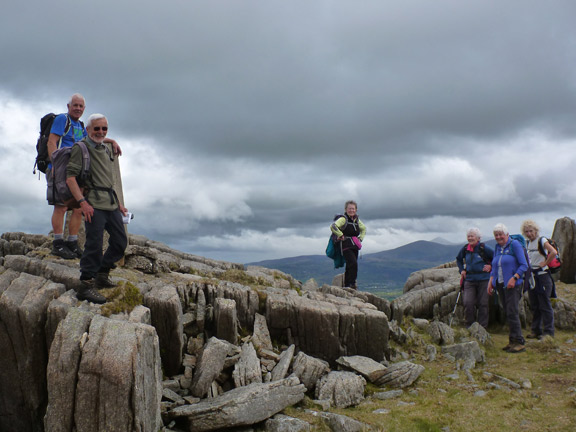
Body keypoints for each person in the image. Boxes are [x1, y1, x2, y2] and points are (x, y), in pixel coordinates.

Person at [47, 94, 121, 259]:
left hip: (76, 169)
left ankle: (72, 243)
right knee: (61, 206)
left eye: (81, 106)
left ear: (84, 109)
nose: (78, 108)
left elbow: (91, 139)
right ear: (69, 106)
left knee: (78, 207)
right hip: (59, 168)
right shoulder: (62, 119)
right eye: (75, 105)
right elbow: (51, 142)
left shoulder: (80, 125)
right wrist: (54, 164)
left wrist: (112, 141)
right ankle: (58, 244)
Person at [66, 114, 128, 304]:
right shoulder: (81, 148)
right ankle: (86, 285)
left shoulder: (104, 147)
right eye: (97, 128)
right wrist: (83, 202)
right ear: (88, 129)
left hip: (110, 203)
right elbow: (70, 177)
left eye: (104, 129)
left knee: (120, 242)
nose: (101, 132)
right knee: (94, 244)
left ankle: (102, 273)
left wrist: (119, 205)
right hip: (93, 204)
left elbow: (108, 180)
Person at [488, 223, 529, 353]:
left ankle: (519, 342)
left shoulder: (514, 245)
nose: (498, 237)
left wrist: (514, 278)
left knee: (512, 312)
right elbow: (495, 266)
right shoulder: (497, 248)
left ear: (507, 234)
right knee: (507, 312)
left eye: (501, 234)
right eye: (496, 235)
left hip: (513, 285)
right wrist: (491, 281)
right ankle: (512, 341)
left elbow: (524, 265)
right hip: (500, 284)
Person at [521, 220, 556, 339]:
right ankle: (536, 331)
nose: (529, 233)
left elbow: (553, 252)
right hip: (532, 277)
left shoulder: (542, 240)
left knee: (545, 305)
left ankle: (548, 333)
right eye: (527, 232)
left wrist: (545, 262)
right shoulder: (527, 243)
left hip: (543, 276)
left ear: (536, 230)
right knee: (535, 305)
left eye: (531, 231)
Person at [456, 228, 493, 329]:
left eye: (472, 236)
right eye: (468, 236)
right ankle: (469, 327)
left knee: (483, 303)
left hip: (484, 279)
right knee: (468, 303)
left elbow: (496, 258)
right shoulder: (465, 249)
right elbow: (459, 259)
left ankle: (482, 328)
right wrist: (461, 270)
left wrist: (491, 267)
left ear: (478, 238)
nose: (470, 238)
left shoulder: (484, 248)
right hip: (469, 279)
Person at [330, 200, 366, 289]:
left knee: (350, 264)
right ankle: (352, 284)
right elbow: (333, 226)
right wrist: (340, 235)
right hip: (345, 245)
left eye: (353, 209)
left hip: (355, 245)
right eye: (349, 209)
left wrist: (360, 238)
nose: (351, 210)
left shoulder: (357, 220)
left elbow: (364, 228)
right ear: (346, 209)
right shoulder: (343, 219)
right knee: (353, 263)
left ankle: (347, 285)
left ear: (356, 210)